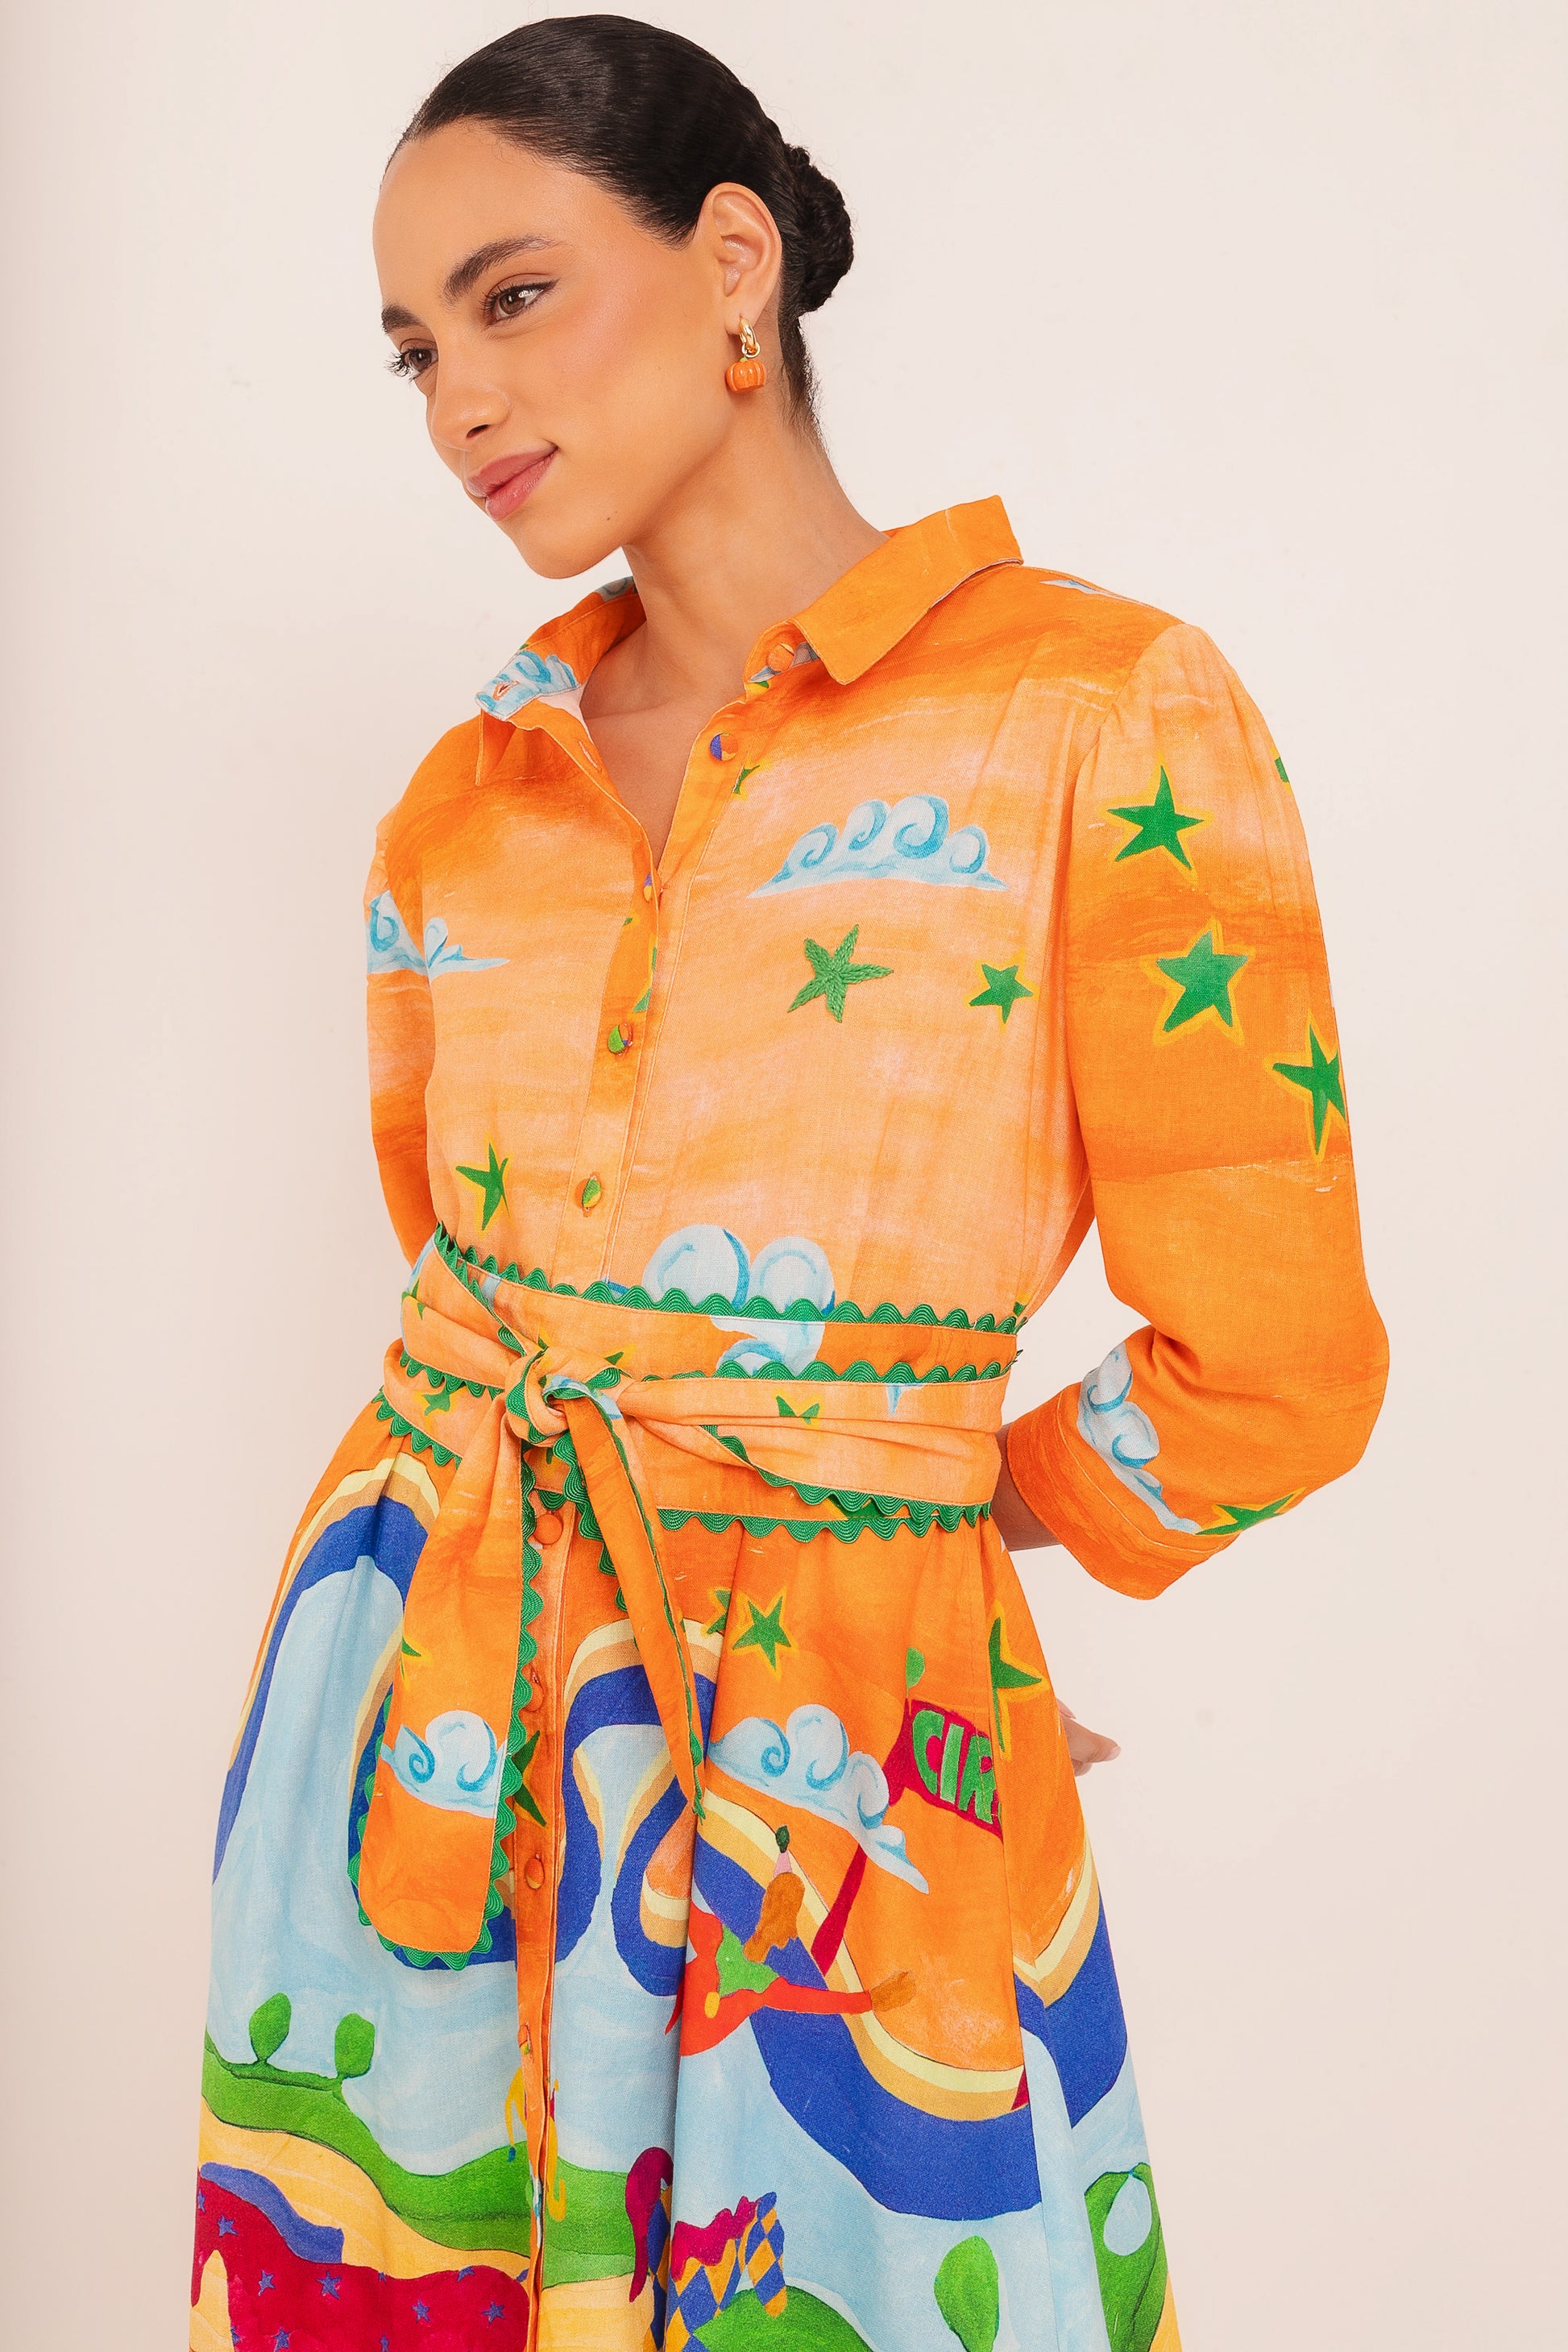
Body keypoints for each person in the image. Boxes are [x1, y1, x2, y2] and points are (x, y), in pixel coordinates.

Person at [189, 18, 1388, 2350]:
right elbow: (458, 1273)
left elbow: (1279, 1355)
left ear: (731, 264)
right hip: (409, 1725)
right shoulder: (463, 797)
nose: (457, 399)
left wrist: (917, 1541)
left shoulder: (1095, 714)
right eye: (415, 349)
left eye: (514, 297)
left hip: (837, 1783)